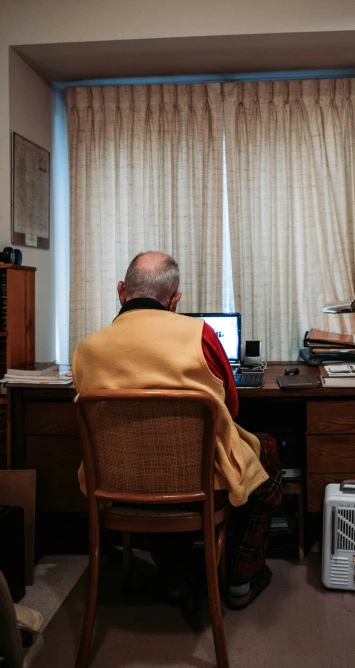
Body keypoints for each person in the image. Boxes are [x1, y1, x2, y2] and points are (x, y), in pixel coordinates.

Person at [72, 251, 282, 609]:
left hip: (119, 482)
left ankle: (174, 575)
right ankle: (240, 578)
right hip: (196, 482)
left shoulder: (86, 350)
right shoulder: (200, 335)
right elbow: (231, 408)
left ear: (122, 291)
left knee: (152, 467)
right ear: (175, 299)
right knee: (270, 452)